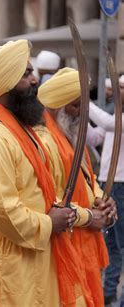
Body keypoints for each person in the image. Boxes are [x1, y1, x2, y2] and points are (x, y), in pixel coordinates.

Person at [0, 39, 91, 306]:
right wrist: (49, 223)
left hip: (35, 254)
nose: (35, 81)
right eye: (25, 75)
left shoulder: (20, 130)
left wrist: (77, 214)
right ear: (4, 83)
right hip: (11, 262)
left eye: (31, 72)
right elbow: (0, 209)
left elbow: (39, 192)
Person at [36, 67, 117, 306]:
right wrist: (89, 216)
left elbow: (88, 180)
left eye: (83, 105)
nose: (81, 112)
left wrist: (103, 201)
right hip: (62, 244)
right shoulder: (44, 140)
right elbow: (51, 199)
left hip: (84, 243)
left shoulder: (72, 136)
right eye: (74, 106)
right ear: (56, 107)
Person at [87, 84, 124, 305]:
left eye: (122, 87)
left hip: (121, 184)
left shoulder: (115, 119)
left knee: (116, 244)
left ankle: (110, 293)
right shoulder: (115, 114)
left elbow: (109, 124)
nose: (117, 91)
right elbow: (95, 138)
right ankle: (107, 293)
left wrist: (84, 101)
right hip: (106, 184)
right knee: (110, 243)